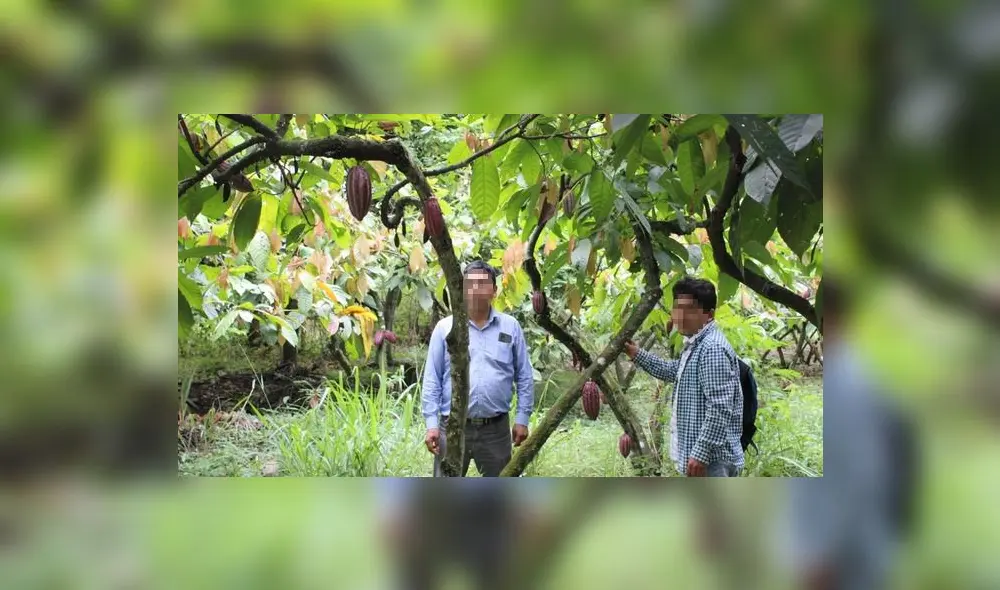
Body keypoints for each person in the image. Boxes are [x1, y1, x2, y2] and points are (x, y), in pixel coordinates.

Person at [421, 260, 534, 477]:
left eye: (482, 283)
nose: (475, 289)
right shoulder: (446, 328)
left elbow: (524, 376)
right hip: (453, 427)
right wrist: (432, 424)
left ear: (494, 290)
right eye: (470, 283)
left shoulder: (510, 327)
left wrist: (522, 419)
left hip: (496, 429)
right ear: (462, 289)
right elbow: (432, 379)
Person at [623, 277, 744, 477]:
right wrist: (636, 354)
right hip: (705, 460)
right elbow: (674, 371)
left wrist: (701, 454)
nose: (681, 315)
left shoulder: (711, 348)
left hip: (712, 463)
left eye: (690, 309)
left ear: (709, 315)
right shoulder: (696, 344)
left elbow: (720, 408)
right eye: (678, 307)